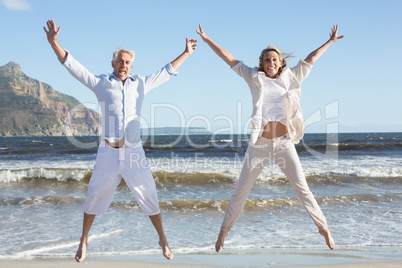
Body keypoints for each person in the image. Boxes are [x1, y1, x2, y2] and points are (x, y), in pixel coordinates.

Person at [44, 19, 197, 262]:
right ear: (113, 63)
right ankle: (83, 240)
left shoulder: (142, 84)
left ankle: (162, 238)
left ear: (131, 65)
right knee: (94, 195)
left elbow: (167, 71)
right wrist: (54, 43)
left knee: (149, 195)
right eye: (120, 62)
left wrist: (186, 52)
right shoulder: (101, 83)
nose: (123, 65)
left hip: (134, 152)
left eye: (127, 62)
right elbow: (74, 66)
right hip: (108, 152)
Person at [196, 24, 344, 252]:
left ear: (281, 62)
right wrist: (207, 40)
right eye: (266, 59)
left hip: (284, 143)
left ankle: (324, 229)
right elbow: (230, 59)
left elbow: (311, 59)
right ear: (262, 63)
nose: (271, 62)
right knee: (241, 191)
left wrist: (330, 42)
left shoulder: (292, 76)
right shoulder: (253, 77)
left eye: (274, 59)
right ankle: (223, 232)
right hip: (260, 145)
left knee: (302, 188)